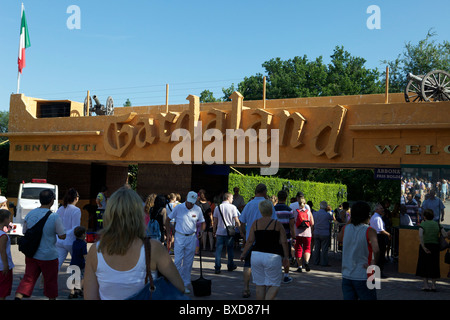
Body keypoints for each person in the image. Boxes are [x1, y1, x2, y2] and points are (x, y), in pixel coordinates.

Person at [84, 186, 184, 299]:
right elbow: (180, 287)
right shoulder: (153, 248)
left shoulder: (96, 250)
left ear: (109, 214)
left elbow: (90, 297)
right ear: (138, 215)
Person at [15, 189, 66, 300]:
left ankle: (18, 296)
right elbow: (62, 236)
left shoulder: (30, 214)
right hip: (49, 256)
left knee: (28, 278)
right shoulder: (54, 217)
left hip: (32, 254)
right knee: (50, 281)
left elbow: (24, 232)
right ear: (52, 200)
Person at [240, 200, 289, 300]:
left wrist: (244, 253)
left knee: (260, 284)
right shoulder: (277, 224)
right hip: (273, 255)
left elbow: (250, 241)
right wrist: (286, 256)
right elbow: (284, 242)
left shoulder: (256, 223)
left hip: (256, 255)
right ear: (271, 210)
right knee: (275, 284)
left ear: (261, 210)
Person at [239, 183, 277, 298]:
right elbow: (274, 222)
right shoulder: (269, 205)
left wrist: (244, 234)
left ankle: (246, 288)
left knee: (248, 264)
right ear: (264, 192)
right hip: (266, 239)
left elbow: (242, 221)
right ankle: (262, 289)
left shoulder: (249, 204)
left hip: (251, 238)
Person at [338, 201, 380, 300]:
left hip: (347, 274)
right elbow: (376, 250)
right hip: (367, 273)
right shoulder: (370, 230)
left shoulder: (345, 228)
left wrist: (351, 220)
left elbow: (338, 238)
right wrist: (375, 264)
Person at [165, 191, 205, 294]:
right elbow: (167, 219)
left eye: (192, 203)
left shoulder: (198, 209)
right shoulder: (178, 208)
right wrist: (168, 234)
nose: (190, 204)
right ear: (186, 199)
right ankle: (175, 283)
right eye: (188, 202)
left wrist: (201, 231)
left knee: (188, 263)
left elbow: (203, 222)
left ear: (195, 201)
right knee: (177, 261)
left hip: (191, 237)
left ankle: (184, 284)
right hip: (179, 236)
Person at [416, 209, 448, 291]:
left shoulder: (423, 224)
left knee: (424, 266)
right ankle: (433, 285)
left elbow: (420, 236)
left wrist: (424, 247)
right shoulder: (437, 224)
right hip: (435, 247)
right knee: (434, 266)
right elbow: (445, 234)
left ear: (425, 216)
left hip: (425, 246)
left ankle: (426, 285)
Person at [213, 192, 240, 274]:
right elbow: (236, 220)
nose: (232, 199)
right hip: (229, 232)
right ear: (228, 198)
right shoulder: (233, 207)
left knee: (218, 250)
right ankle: (230, 265)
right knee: (230, 249)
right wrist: (239, 227)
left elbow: (215, 221)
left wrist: (214, 230)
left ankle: (217, 267)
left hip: (220, 232)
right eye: (232, 198)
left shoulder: (217, 207)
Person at [56, 188, 81, 270]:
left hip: (59, 240)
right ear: (76, 198)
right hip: (70, 241)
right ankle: (74, 282)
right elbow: (75, 227)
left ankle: (46, 281)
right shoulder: (76, 210)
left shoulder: (60, 209)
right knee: (76, 264)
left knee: (57, 263)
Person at [274, 190, 295, 284]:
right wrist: (294, 237)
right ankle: (286, 276)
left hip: (275, 237)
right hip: (286, 237)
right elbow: (291, 225)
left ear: (278, 198)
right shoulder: (289, 210)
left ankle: (276, 275)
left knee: (276, 256)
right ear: (286, 198)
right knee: (286, 257)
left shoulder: (273, 209)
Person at [293, 196, 314, 272]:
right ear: (305, 203)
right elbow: (312, 223)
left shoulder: (295, 211)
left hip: (298, 233)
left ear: (298, 204)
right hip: (307, 234)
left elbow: (293, 222)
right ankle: (307, 262)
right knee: (307, 248)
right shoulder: (308, 212)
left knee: (298, 249)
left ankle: (300, 267)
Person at [369, 203, 391, 278]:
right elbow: (380, 230)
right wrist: (388, 234)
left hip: (377, 236)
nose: (383, 210)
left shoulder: (375, 217)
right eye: (381, 208)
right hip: (379, 236)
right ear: (377, 209)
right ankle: (379, 271)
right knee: (380, 255)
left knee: (378, 254)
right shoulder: (377, 218)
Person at [312, 201, 334, 267]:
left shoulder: (315, 214)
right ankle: (324, 262)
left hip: (316, 232)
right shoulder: (328, 214)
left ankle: (316, 261)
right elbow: (332, 218)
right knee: (324, 249)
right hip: (325, 233)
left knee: (316, 248)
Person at [68, 226, 87, 299]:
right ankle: (79, 290)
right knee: (83, 277)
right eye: (85, 233)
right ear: (83, 234)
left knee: (73, 278)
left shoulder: (74, 242)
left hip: (73, 263)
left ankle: (72, 292)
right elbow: (85, 255)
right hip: (80, 264)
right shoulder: (83, 244)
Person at [0, 209, 14, 300]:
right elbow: (2, 251)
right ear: (5, 219)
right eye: (9, 218)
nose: (10, 221)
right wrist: (6, 265)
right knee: (3, 291)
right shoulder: (3, 235)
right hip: (2, 267)